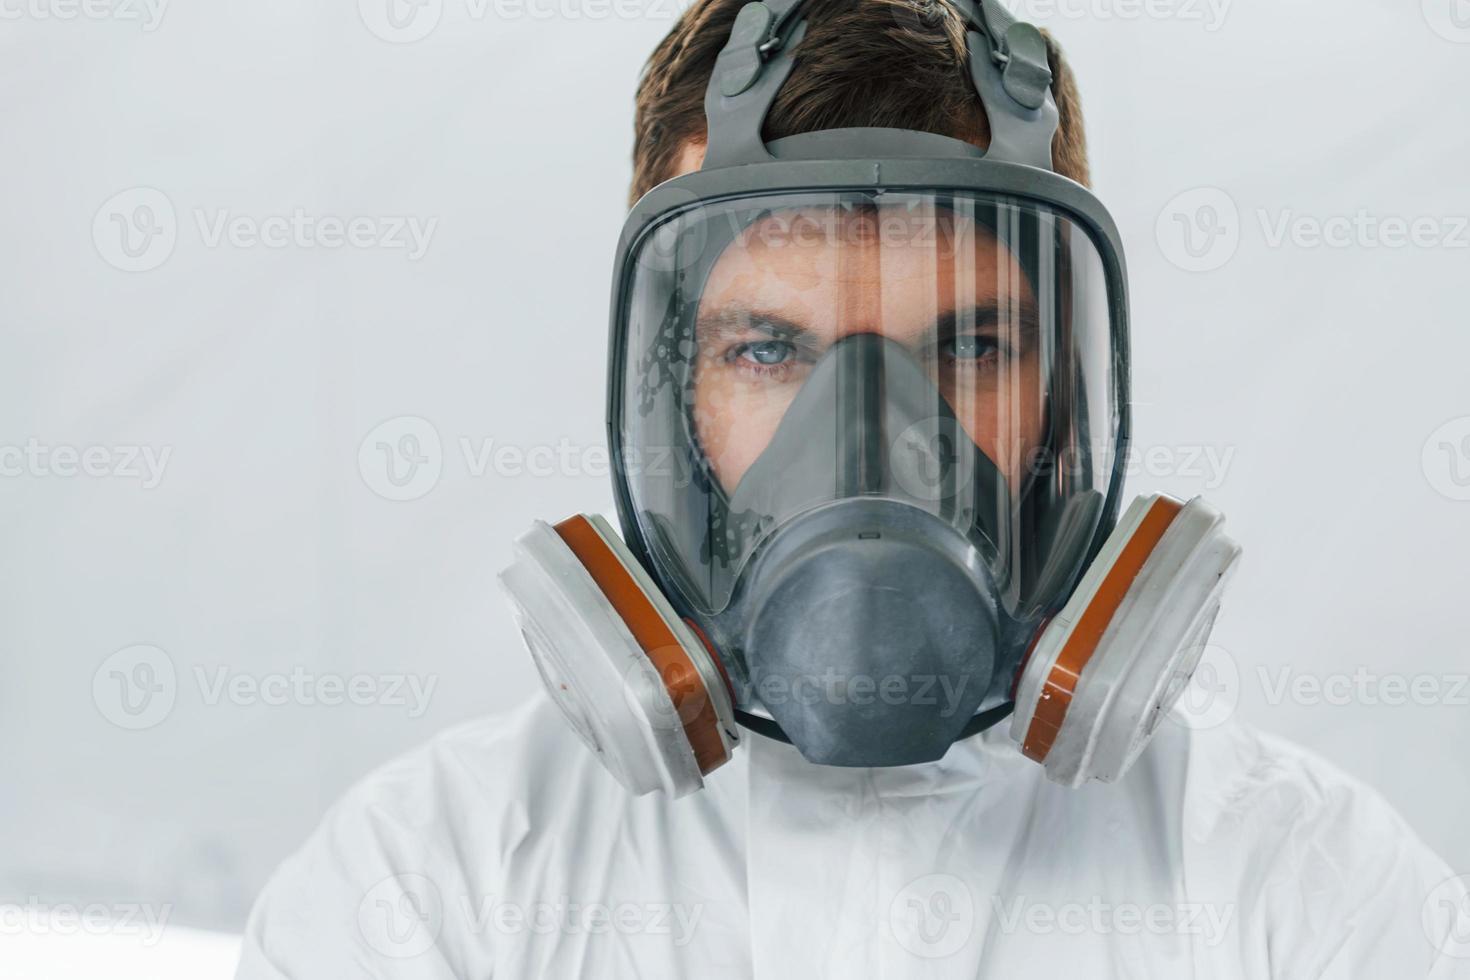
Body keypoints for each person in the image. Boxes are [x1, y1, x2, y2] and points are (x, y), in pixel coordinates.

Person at [236, 0, 1469, 976]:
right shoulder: (432, 880)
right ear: (673, 390)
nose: (873, 447)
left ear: (1068, 393)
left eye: (972, 347)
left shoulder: (1303, 886)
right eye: (768, 349)